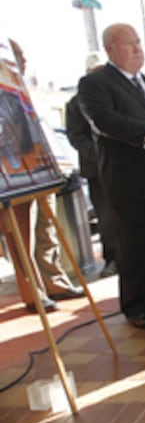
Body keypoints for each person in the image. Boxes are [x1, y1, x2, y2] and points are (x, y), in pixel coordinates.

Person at [78, 23, 145, 329]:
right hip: (128, 181)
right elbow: (103, 120)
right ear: (110, 49)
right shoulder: (95, 83)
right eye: (130, 43)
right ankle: (135, 306)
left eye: (139, 42)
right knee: (135, 245)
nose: (139, 49)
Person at [1, 39, 85, 313]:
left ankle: (55, 283)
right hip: (14, 176)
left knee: (47, 229)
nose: (22, 59)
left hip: (40, 169)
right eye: (17, 55)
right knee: (21, 236)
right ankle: (33, 293)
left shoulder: (25, 89)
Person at [65, 52, 119, 279]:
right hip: (98, 170)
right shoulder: (75, 104)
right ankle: (113, 259)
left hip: (125, 167)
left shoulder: (117, 93)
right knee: (107, 217)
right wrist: (99, 155)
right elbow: (76, 136)